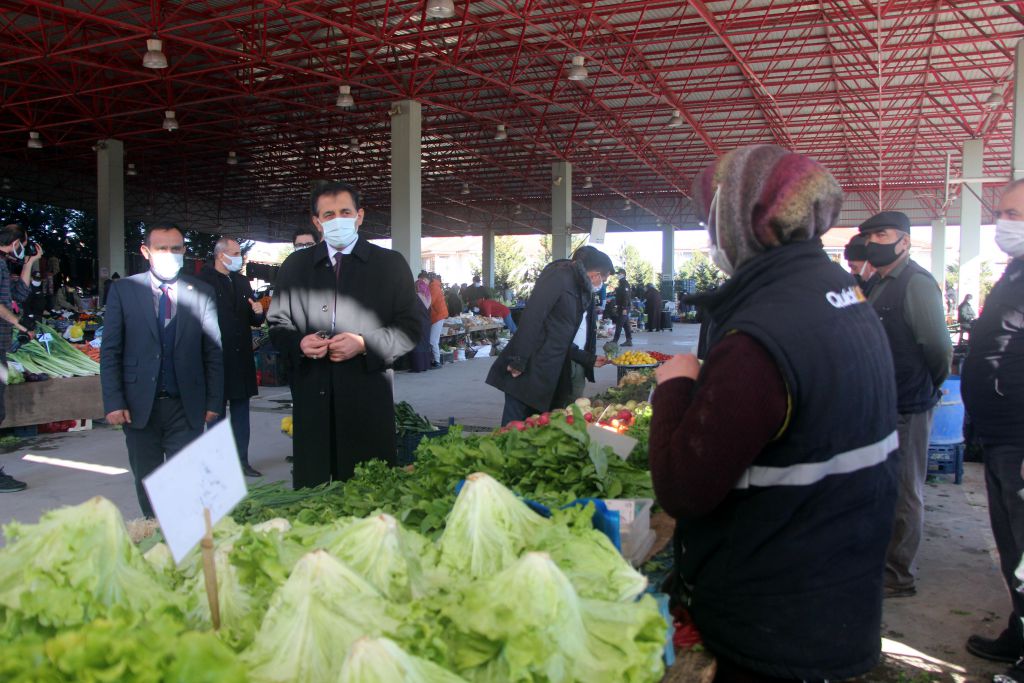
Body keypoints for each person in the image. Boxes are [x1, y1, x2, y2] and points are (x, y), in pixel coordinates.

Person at [650, 144, 898, 681]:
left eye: (707, 218)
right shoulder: (841, 294)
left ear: (741, 218)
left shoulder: (761, 337)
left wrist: (674, 388)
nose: (707, 234)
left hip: (774, 612)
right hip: (834, 585)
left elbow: (683, 489)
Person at [267, 180, 421, 488]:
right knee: (315, 490)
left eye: (345, 212)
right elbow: (277, 325)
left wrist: (365, 344)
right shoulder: (295, 267)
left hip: (367, 394)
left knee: (367, 489)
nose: (337, 220)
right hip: (313, 396)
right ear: (317, 221)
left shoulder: (389, 265)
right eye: (328, 214)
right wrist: (299, 343)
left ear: (360, 216)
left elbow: (412, 326)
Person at [100, 225, 223, 517]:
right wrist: (114, 401)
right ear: (146, 252)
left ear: (184, 250)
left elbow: (213, 352)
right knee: (148, 480)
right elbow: (111, 351)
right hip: (139, 406)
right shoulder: (123, 291)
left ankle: (184, 542)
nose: (170, 254)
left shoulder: (202, 292)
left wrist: (214, 402)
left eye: (176, 248)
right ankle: (155, 535)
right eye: (161, 248)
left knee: (186, 482)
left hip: (187, 406)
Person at [860, 210, 952, 598]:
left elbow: (937, 347)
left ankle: (899, 576)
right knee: (884, 487)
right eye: (869, 237)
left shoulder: (916, 283)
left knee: (904, 491)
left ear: (905, 241)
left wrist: (929, 384)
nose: (873, 243)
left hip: (910, 402)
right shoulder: (878, 283)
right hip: (883, 403)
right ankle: (883, 562)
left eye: (882, 235)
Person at [961, 179, 1024, 676]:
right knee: (1013, 548)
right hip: (999, 436)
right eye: (1003, 213)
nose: (1005, 223)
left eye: (1016, 214)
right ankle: (1019, 633)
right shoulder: (1014, 271)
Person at [486, 246, 613, 425]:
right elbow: (532, 317)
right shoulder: (559, 277)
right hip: (528, 367)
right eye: (604, 279)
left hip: (547, 371)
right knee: (514, 428)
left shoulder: (579, 290)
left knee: (534, 429)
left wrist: (588, 359)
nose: (602, 284)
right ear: (596, 274)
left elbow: (561, 336)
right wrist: (519, 360)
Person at [197, 237, 266, 478]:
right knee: (215, 413)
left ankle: (242, 461)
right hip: (215, 359)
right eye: (236, 253)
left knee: (241, 412)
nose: (240, 257)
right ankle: (218, 464)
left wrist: (258, 313)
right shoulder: (201, 281)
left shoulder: (241, 281)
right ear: (220, 255)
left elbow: (251, 318)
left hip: (241, 357)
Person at [0, 224, 42, 493]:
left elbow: (18, 296)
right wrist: (21, 325)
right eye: (24, 244)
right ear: (16, 241)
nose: (24, 248)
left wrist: (29, 264)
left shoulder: (3, 264)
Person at [407, 271, 432, 372]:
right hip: (426, 322)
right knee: (425, 343)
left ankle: (418, 366)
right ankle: (426, 365)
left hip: (417, 322)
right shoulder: (428, 296)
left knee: (417, 343)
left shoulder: (415, 297)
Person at [428, 272, 448, 369]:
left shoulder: (434, 287)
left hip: (438, 316)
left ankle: (437, 361)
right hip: (438, 315)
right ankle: (435, 360)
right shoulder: (435, 286)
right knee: (434, 339)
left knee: (433, 340)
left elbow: (430, 301)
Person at [611, 268, 633, 346]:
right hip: (622, 307)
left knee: (619, 324)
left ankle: (615, 341)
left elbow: (626, 297)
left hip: (625, 307)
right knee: (626, 324)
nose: (618, 275)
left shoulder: (625, 284)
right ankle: (629, 340)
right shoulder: (621, 284)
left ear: (623, 275)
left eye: (619, 274)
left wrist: (624, 308)